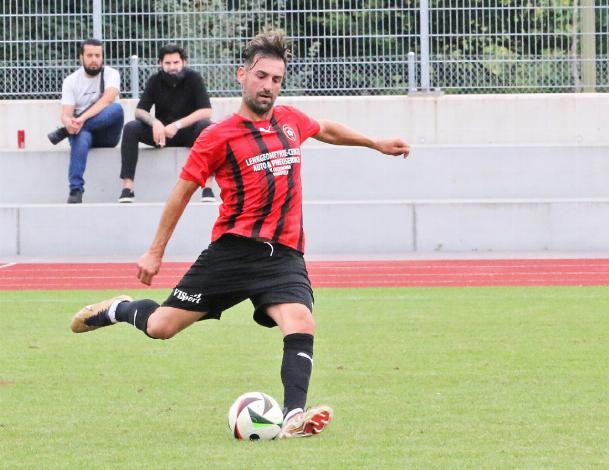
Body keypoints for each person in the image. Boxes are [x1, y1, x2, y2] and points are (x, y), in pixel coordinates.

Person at [70, 28, 410, 438]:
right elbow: (180, 195)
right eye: (262, 76)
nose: (269, 87)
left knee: (301, 320)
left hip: (283, 254)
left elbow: (326, 129)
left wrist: (375, 143)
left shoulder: (289, 120)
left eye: (277, 80)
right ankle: (120, 309)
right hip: (231, 253)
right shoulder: (217, 136)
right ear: (242, 75)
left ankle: (293, 417)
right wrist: (154, 253)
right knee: (161, 326)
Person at [119, 43, 216, 203]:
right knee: (131, 128)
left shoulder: (194, 78)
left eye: (176, 63)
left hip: (187, 134)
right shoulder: (155, 80)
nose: (172, 67)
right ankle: (127, 188)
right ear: (160, 64)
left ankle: (207, 187)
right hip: (161, 135)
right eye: (168, 63)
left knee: (207, 126)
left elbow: (206, 111)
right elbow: (140, 111)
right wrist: (155, 122)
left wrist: (177, 125)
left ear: (184, 62)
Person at [53, 38, 124, 204]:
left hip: (108, 134)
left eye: (98, 55)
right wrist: (68, 123)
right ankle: (75, 190)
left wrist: (80, 119)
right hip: (83, 133)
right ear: (81, 57)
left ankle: (70, 130)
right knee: (80, 134)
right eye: (90, 55)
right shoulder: (71, 81)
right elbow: (66, 114)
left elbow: (108, 99)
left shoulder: (111, 74)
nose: (94, 60)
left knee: (116, 109)